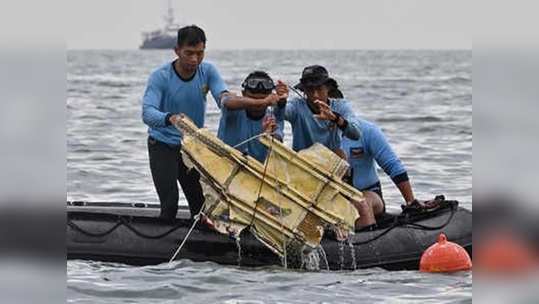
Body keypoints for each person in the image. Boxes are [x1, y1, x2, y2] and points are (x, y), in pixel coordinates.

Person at [142, 25, 229, 220]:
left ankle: (199, 249)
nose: (194, 60)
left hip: (191, 148)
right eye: (189, 53)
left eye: (200, 53)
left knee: (202, 209)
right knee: (170, 204)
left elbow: (223, 97)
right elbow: (147, 113)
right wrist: (169, 118)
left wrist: (249, 103)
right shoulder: (160, 77)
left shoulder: (207, 71)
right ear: (177, 51)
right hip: (162, 145)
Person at [342, 118, 416, 229]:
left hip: (369, 194)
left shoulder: (366, 130)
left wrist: (411, 202)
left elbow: (393, 165)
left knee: (361, 202)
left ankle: (369, 243)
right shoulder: (310, 134)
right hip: (328, 197)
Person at [281, 65, 361, 158]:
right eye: (310, 90)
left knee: (340, 154)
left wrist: (335, 118)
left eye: (319, 89)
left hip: (331, 162)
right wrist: (281, 101)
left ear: (328, 88)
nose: (315, 95)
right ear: (304, 90)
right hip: (303, 163)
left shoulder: (340, 106)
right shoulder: (297, 106)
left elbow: (356, 134)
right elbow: (281, 113)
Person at [217, 71, 286, 162]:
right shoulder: (232, 109)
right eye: (252, 98)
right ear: (243, 94)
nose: (257, 105)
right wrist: (263, 102)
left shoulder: (271, 119)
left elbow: (278, 143)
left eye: (262, 98)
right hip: (225, 163)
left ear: (271, 97)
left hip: (255, 171)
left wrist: (269, 137)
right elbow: (227, 102)